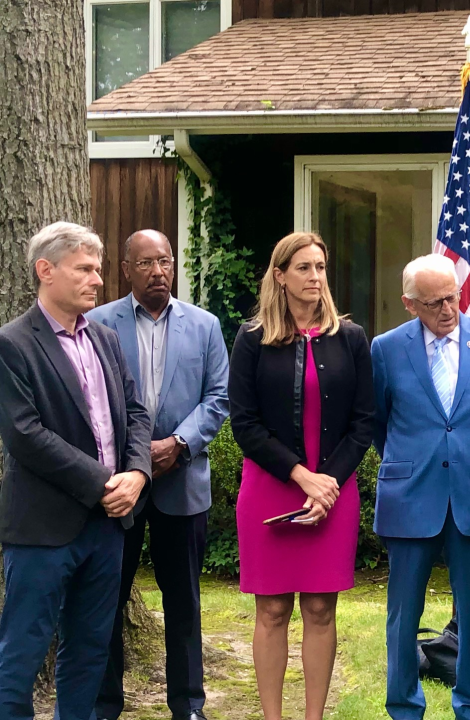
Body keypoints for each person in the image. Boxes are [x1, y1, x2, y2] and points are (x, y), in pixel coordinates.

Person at [0, 222, 152, 720]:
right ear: (46, 270)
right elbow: (25, 434)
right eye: (85, 269)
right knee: (20, 657)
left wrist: (136, 473)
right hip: (44, 530)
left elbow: (135, 413)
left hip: (108, 527)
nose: (98, 281)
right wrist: (104, 483)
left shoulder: (105, 339)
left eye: (99, 269)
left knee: (90, 652)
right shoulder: (13, 344)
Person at [229, 232, 375, 720]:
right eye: (304, 268)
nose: (316, 277)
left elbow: (363, 422)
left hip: (334, 491)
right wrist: (302, 477)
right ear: (280, 275)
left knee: (319, 610)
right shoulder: (252, 340)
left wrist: (326, 483)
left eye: (321, 267)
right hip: (270, 487)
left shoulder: (350, 339)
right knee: (271, 611)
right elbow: (244, 425)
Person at [87, 230, 230, 720]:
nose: (158, 271)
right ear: (126, 268)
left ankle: (188, 704)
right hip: (118, 486)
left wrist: (180, 444)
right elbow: (91, 400)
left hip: (182, 481)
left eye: (165, 261)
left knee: (185, 603)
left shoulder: (205, 326)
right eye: (145, 263)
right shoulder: (98, 323)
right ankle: (104, 704)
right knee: (106, 598)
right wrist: (133, 457)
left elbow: (219, 398)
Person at [371, 254, 470, 720]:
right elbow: (378, 423)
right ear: (410, 304)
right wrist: (411, 464)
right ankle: (404, 707)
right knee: (402, 617)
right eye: (434, 303)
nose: (447, 309)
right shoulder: (386, 348)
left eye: (452, 297)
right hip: (410, 495)